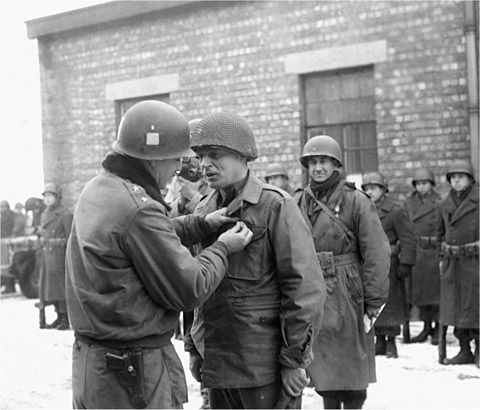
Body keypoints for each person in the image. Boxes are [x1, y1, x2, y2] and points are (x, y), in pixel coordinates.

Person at [65, 100, 253, 409]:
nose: (176, 172)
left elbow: (135, 239)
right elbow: (190, 288)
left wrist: (200, 224)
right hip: (133, 372)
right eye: (176, 162)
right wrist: (222, 248)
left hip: (94, 365)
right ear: (154, 160)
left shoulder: (100, 189)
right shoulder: (140, 209)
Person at [186, 112, 325, 409]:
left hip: (262, 365)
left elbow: (304, 289)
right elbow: (200, 289)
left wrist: (294, 360)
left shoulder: (276, 205)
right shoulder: (204, 209)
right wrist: (195, 349)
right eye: (200, 156)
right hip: (218, 361)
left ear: (242, 155)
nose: (204, 164)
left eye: (215, 154)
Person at [294, 135, 390, 409]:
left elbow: (377, 252)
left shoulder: (356, 201)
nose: (318, 168)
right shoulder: (299, 201)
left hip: (349, 291)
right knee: (323, 369)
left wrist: (373, 300)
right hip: (312, 288)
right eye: (312, 162)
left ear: (336, 165)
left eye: (324, 161)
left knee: (352, 366)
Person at [361, 172, 416, 359]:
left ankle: (391, 341)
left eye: (374, 188)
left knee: (390, 303)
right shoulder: (362, 210)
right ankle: (380, 341)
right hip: (369, 264)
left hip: (390, 264)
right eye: (366, 188)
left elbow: (407, 239)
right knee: (373, 301)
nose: (370, 191)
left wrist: (406, 263)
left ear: (384, 190)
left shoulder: (395, 211)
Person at [436, 159, 478, 367]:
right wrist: (441, 258)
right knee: (455, 308)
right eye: (453, 178)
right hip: (453, 263)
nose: (456, 181)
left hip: (475, 262)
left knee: (475, 306)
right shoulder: (444, 204)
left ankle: (479, 349)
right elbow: (439, 234)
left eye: (461, 177)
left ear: (470, 179)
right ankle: (464, 349)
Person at [403, 168, 441, 344]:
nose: (421, 187)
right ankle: (426, 327)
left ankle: (438, 328)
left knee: (436, 294)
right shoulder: (409, 203)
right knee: (420, 294)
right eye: (418, 184)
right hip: (417, 252)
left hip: (433, 251)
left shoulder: (439, 202)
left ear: (432, 185)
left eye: (425, 183)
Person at [37, 183, 73, 330]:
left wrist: (54, 242)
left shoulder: (65, 214)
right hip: (48, 256)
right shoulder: (44, 215)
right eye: (45, 196)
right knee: (51, 287)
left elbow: (71, 237)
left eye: (50, 196)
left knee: (61, 287)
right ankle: (58, 315)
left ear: (57, 197)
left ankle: (65, 318)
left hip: (60, 256)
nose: (47, 199)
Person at [1, 200, 26, 293]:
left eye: (5, 207)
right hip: (3, 243)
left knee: (12, 263)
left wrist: (14, 234)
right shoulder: (1, 217)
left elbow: (17, 225)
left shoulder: (13, 216)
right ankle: (8, 286)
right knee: (4, 264)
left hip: (12, 242)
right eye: (1, 207)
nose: (3, 209)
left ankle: (11, 286)